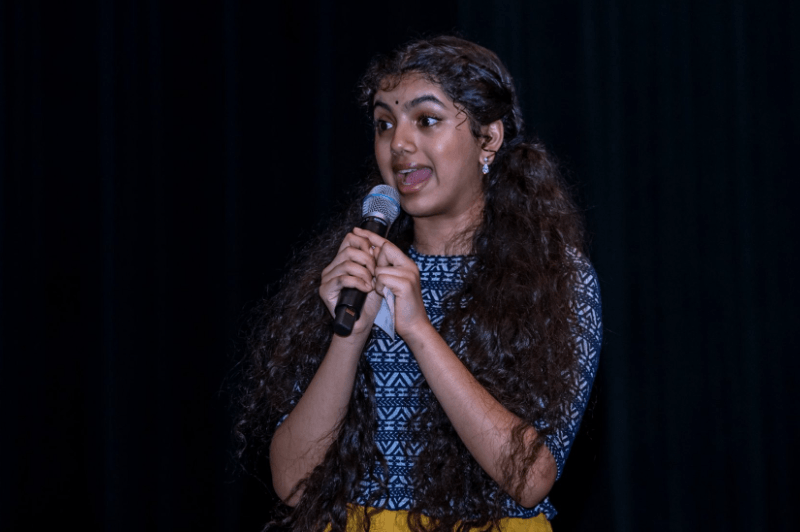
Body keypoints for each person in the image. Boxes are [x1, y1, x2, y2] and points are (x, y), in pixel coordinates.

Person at [236, 36, 602, 532]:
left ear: (487, 139)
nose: (399, 143)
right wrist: (350, 334)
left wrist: (419, 329)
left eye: (425, 120)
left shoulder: (553, 279)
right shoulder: (351, 275)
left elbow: (530, 477)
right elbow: (293, 484)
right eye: (384, 124)